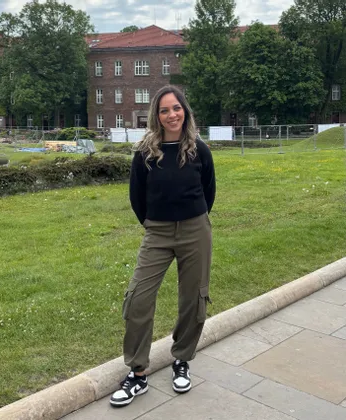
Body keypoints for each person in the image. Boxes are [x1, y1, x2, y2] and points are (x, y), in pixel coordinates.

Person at [110, 85, 216, 407]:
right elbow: (137, 197)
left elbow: (208, 191)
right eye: (165, 110)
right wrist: (155, 224)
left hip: (195, 229)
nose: (172, 115)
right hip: (157, 232)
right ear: (156, 115)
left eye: (177, 108)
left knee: (193, 299)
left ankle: (181, 359)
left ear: (185, 111)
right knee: (138, 299)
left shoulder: (199, 150)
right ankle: (137, 373)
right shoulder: (145, 153)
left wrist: (193, 220)